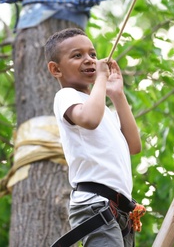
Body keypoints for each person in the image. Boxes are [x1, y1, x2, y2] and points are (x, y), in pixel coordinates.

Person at [45, 28, 142, 247]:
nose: (89, 60)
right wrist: (100, 78)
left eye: (93, 54)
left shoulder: (102, 110)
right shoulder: (66, 96)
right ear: (56, 69)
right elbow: (89, 119)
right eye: (77, 55)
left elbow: (133, 146)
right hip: (95, 204)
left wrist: (117, 94)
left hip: (118, 208)